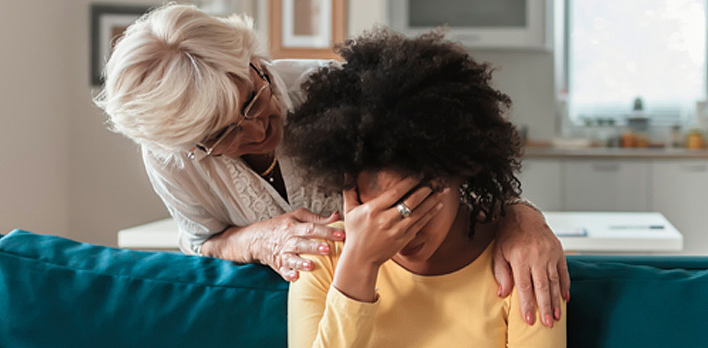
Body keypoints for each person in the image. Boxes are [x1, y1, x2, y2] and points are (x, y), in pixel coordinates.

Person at [94, 3, 568, 326]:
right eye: (223, 135)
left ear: (251, 58)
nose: (256, 129)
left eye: (252, 97)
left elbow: (445, 169)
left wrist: (519, 215)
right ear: (187, 147)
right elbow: (202, 242)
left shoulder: (331, 88)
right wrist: (259, 239)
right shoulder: (172, 159)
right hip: (305, 302)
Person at [285, 28, 566, 347]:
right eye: (378, 211)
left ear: (461, 172)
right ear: (350, 190)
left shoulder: (522, 263)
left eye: (413, 208)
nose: (400, 233)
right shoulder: (321, 259)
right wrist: (359, 267)